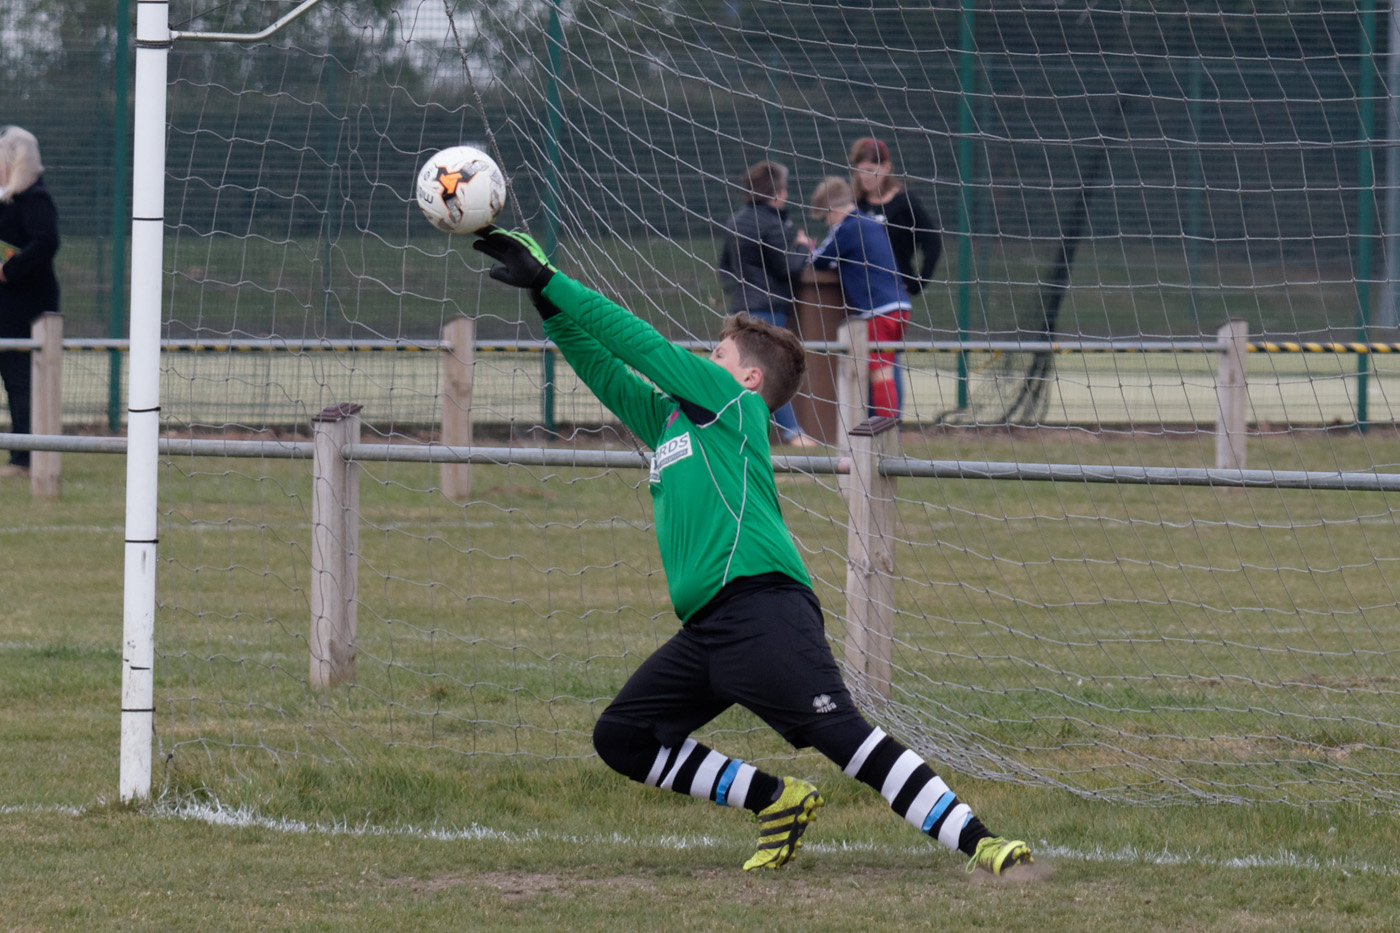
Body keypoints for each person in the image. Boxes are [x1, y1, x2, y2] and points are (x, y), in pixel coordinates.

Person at [472, 226, 1034, 876]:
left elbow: (641, 345)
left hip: (765, 611)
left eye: (716, 352)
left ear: (748, 375)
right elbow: (602, 367)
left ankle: (983, 841)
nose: (702, 359)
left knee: (845, 738)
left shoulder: (732, 403)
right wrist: (544, 302)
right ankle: (777, 799)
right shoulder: (674, 420)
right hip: (708, 630)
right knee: (622, 736)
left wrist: (551, 279)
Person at [717, 161, 819, 447]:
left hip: (741, 307)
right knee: (769, 370)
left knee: (741, 371)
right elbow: (788, 268)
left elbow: (725, 266)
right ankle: (793, 433)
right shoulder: (773, 223)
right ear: (778, 193)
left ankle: (730, 430)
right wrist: (802, 246)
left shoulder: (735, 221)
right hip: (769, 308)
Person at [808, 176, 910, 420]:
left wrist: (804, 246)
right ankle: (889, 424)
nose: (827, 223)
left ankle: (885, 430)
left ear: (833, 209)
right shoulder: (870, 223)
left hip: (879, 310)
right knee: (888, 370)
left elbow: (818, 259)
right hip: (900, 306)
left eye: (825, 217)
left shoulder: (847, 228)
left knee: (880, 374)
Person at [0, 126, 60, 478]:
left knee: (20, 381)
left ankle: (25, 459)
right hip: (6, 306)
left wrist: (8, 270)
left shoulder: (34, 198)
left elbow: (46, 242)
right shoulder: (8, 197)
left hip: (25, 308)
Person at [847, 137, 941, 299]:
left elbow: (932, 241)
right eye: (860, 170)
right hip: (857, 291)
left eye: (870, 170)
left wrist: (918, 282)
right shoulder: (854, 205)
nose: (865, 176)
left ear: (886, 167)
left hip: (893, 293)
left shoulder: (905, 203)